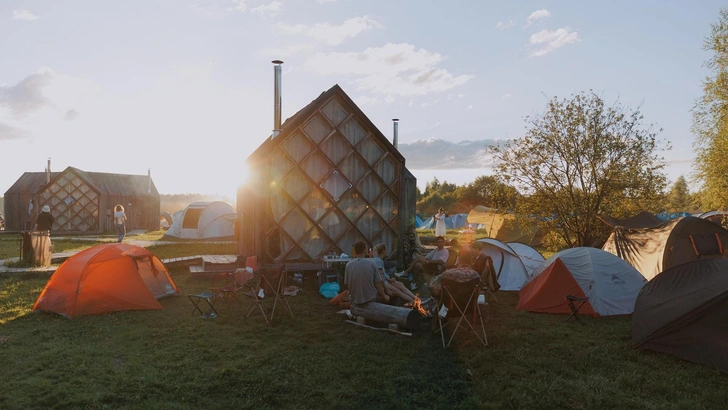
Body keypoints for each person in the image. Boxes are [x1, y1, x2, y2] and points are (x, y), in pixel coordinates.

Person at [344, 240, 390, 306]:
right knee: (386, 297)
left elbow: (348, 284)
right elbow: (378, 284)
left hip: (354, 299)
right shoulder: (371, 263)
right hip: (370, 298)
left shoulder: (348, 265)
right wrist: (385, 296)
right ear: (364, 250)